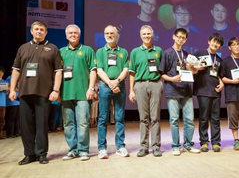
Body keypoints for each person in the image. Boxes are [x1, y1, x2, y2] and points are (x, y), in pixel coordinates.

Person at [9, 21, 62, 165]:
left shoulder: (52, 48)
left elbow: (58, 72)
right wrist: (13, 89)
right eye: (36, 29)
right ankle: (29, 154)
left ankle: (41, 154)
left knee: (42, 125)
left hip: (43, 93)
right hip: (25, 93)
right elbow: (16, 70)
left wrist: (56, 90)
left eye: (42, 30)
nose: (39, 31)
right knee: (26, 126)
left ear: (46, 32)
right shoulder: (23, 48)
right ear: (31, 31)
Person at [159, 28, 201, 156]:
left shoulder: (188, 55)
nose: (180, 39)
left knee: (189, 119)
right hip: (172, 90)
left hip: (186, 90)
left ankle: (188, 145)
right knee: (174, 120)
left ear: (186, 40)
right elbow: (162, 74)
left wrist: (195, 69)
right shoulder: (167, 53)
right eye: (178, 37)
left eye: (183, 38)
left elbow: (192, 72)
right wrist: (172, 79)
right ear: (173, 37)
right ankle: (176, 146)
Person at [60, 24, 97, 161]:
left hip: (83, 93)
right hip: (65, 93)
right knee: (67, 123)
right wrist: (57, 91)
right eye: (70, 33)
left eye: (75, 33)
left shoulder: (87, 50)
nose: (73, 35)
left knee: (83, 123)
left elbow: (93, 70)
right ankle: (72, 149)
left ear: (79, 35)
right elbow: (56, 73)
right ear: (66, 35)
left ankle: (83, 150)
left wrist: (91, 88)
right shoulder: (61, 51)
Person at [128, 25, 163, 157]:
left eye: (149, 34)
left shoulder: (158, 50)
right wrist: (131, 90)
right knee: (143, 118)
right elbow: (132, 73)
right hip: (140, 85)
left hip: (155, 84)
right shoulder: (135, 52)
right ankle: (144, 146)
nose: (147, 36)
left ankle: (156, 147)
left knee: (155, 118)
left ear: (152, 35)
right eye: (144, 34)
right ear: (140, 36)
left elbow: (162, 69)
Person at [96, 25, 129, 159]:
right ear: (104, 35)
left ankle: (120, 146)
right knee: (103, 118)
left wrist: (117, 81)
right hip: (105, 86)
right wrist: (110, 83)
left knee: (119, 117)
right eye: (107, 33)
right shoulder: (100, 52)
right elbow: (99, 70)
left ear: (117, 35)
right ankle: (102, 148)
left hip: (120, 86)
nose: (109, 35)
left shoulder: (124, 52)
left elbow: (126, 69)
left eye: (112, 33)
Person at [193, 33, 224, 152]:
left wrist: (222, 84)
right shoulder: (199, 54)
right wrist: (196, 68)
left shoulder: (219, 60)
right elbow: (189, 68)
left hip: (215, 91)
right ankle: (204, 142)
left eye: (218, 43)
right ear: (209, 41)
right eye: (214, 41)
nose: (215, 44)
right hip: (202, 90)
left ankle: (216, 142)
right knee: (204, 117)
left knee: (215, 118)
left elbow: (220, 75)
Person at [5, 71, 20, 138]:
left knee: (17, 118)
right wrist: (15, 89)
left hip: (18, 102)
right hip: (11, 102)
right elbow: (7, 87)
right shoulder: (9, 78)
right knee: (11, 118)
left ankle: (16, 132)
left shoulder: (19, 78)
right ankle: (10, 133)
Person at [0, 66, 7, 139]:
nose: (1, 73)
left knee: (2, 119)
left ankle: (0, 133)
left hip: (3, 103)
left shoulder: (5, 82)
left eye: (2, 72)